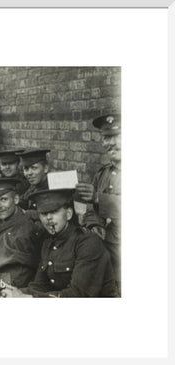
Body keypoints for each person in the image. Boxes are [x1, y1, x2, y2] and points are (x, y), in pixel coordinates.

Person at [1, 188, 118, 298]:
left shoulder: (88, 243)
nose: (48, 218)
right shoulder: (48, 242)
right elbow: (39, 285)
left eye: (54, 212)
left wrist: (29, 297)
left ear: (68, 214)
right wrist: (18, 292)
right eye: (43, 213)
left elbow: (79, 294)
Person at [75, 114, 121, 294]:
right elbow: (90, 209)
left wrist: (97, 198)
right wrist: (94, 224)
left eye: (118, 136)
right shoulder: (102, 173)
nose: (112, 143)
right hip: (105, 253)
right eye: (107, 138)